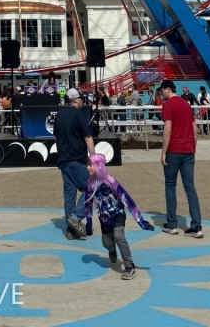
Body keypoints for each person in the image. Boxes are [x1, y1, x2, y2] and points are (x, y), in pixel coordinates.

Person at [84, 152, 154, 279]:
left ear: (98, 165)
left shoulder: (110, 181)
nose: (88, 167)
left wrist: (141, 221)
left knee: (119, 237)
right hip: (104, 219)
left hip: (117, 214)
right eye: (87, 165)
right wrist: (89, 223)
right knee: (106, 242)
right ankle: (112, 250)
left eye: (90, 165)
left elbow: (127, 199)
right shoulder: (90, 183)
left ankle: (129, 266)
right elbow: (88, 204)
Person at [159, 79, 203, 238]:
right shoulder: (186, 103)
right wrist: (193, 146)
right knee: (190, 187)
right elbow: (195, 129)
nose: (161, 94)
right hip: (188, 150)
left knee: (170, 185)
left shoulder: (168, 105)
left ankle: (172, 224)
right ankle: (196, 226)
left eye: (162, 91)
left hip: (174, 150)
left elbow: (168, 130)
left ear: (167, 90)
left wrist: (163, 152)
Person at [53, 88, 96, 239]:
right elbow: (88, 138)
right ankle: (76, 218)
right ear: (76, 99)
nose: (83, 101)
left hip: (63, 160)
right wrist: (93, 158)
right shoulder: (79, 115)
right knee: (92, 188)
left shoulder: (59, 115)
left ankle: (71, 230)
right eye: (81, 98)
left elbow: (56, 138)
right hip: (77, 158)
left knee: (69, 194)